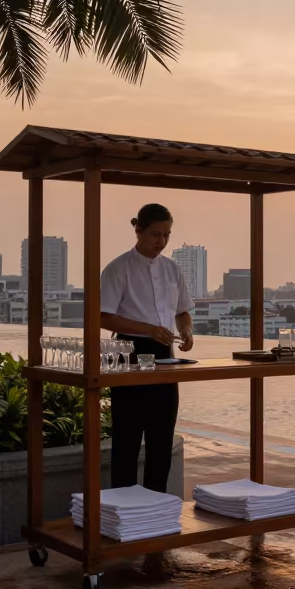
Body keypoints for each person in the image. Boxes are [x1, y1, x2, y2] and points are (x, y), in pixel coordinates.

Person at [100, 203, 194, 491]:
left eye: (166, 235)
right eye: (155, 234)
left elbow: (182, 310)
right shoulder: (118, 268)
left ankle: (157, 509)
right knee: (127, 437)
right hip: (126, 352)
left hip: (165, 354)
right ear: (138, 230)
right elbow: (104, 316)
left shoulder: (172, 269)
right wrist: (148, 330)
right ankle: (124, 511)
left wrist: (186, 331)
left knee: (162, 437)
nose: (161, 242)